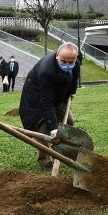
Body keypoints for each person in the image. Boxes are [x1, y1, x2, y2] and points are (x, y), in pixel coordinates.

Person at [18, 42, 80, 171]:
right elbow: (46, 103)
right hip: (37, 98)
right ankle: (44, 159)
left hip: (59, 94)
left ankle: (69, 152)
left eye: (71, 62)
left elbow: (74, 78)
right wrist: (53, 129)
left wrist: (72, 92)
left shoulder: (75, 63)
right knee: (42, 129)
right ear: (57, 56)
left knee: (68, 122)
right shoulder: (47, 71)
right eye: (64, 61)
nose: (68, 65)